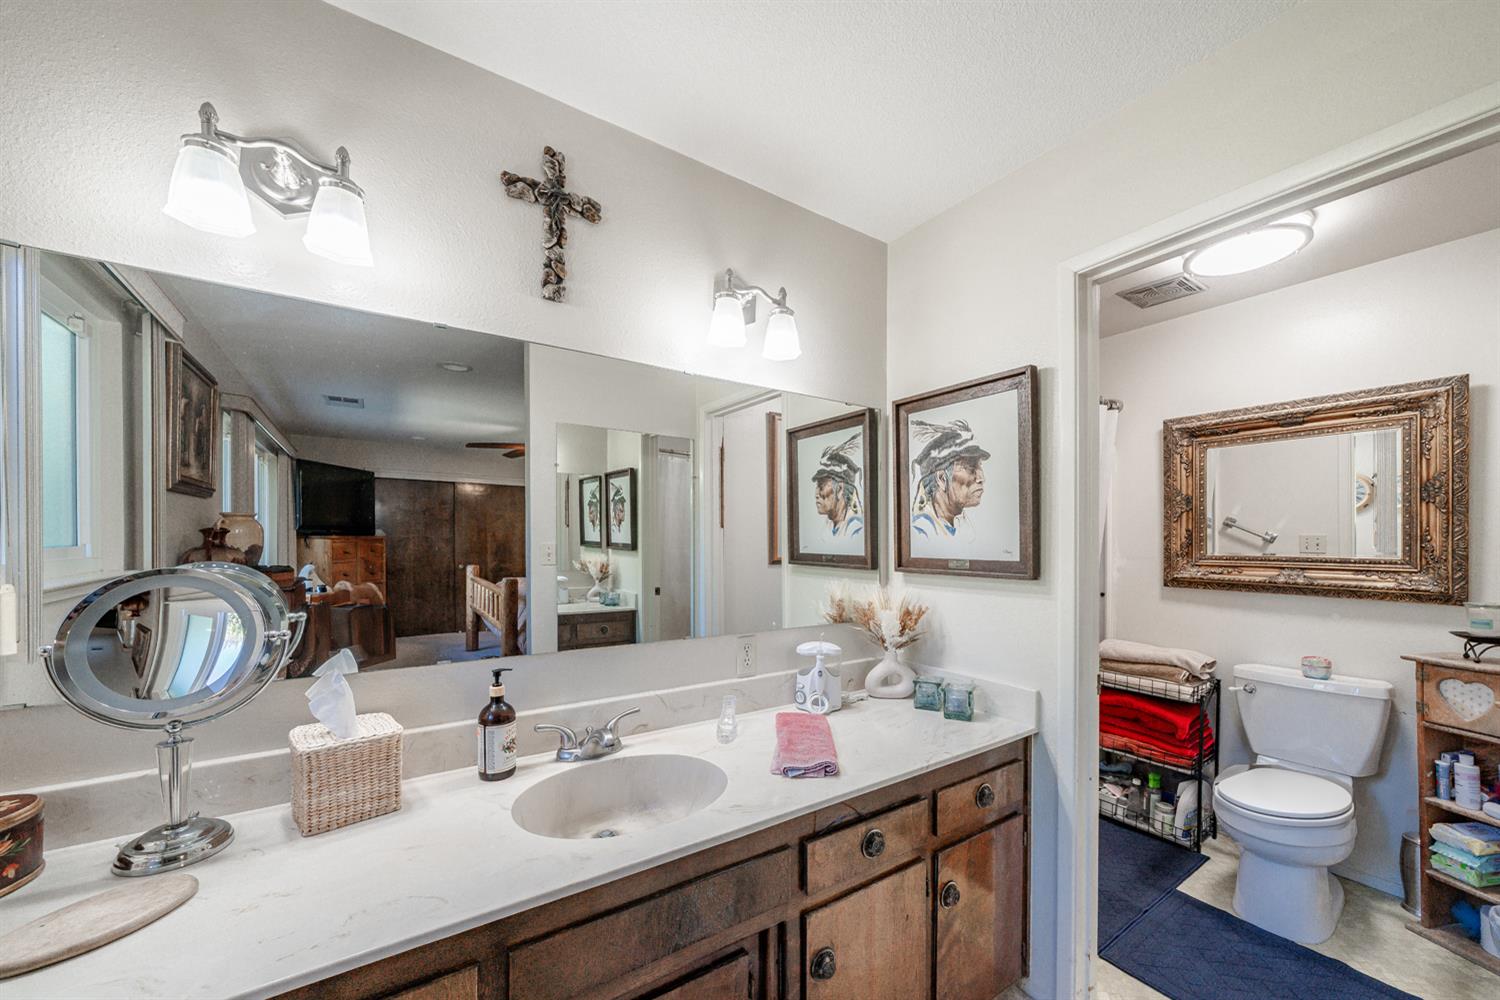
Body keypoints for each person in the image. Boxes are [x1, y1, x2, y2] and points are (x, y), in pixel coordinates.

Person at [909, 418, 990, 554]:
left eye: (979, 466)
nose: (981, 478)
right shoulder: (922, 533)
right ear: (941, 479)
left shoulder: (965, 529)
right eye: (970, 467)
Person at [811, 432, 864, 546]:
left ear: (840, 489)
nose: (816, 494)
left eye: (821, 486)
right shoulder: (827, 529)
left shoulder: (856, 530)